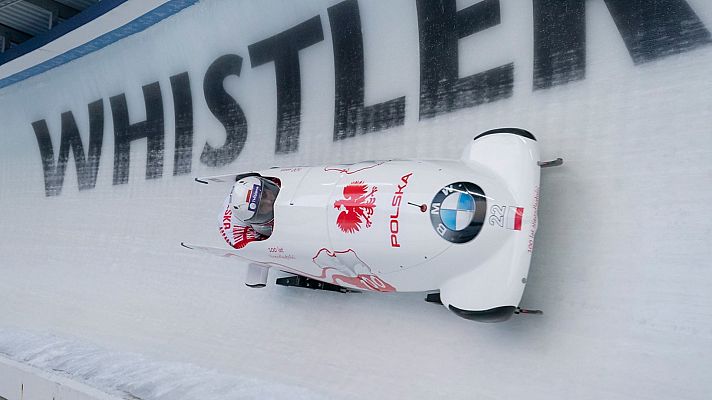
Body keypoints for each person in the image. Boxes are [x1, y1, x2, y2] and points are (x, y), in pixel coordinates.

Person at [219, 176, 280, 249]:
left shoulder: (259, 183)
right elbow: (264, 251)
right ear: (259, 215)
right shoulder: (238, 237)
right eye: (262, 206)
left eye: (264, 195)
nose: (269, 201)